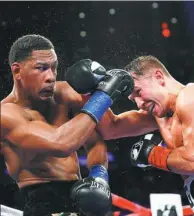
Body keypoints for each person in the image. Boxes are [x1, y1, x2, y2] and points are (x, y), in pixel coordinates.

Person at [0, 34, 134, 216]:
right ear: (17, 71)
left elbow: (96, 139)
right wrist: (103, 96)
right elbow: (60, 144)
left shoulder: (64, 95)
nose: (51, 77)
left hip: (83, 199)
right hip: (43, 204)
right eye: (41, 68)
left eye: (54, 68)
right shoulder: (5, 114)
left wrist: (99, 176)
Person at [68, 55, 194, 211]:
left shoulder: (189, 97)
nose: (139, 103)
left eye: (139, 92)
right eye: (134, 100)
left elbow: (191, 161)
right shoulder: (159, 115)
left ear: (159, 77)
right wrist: (95, 92)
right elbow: (111, 129)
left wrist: (153, 155)